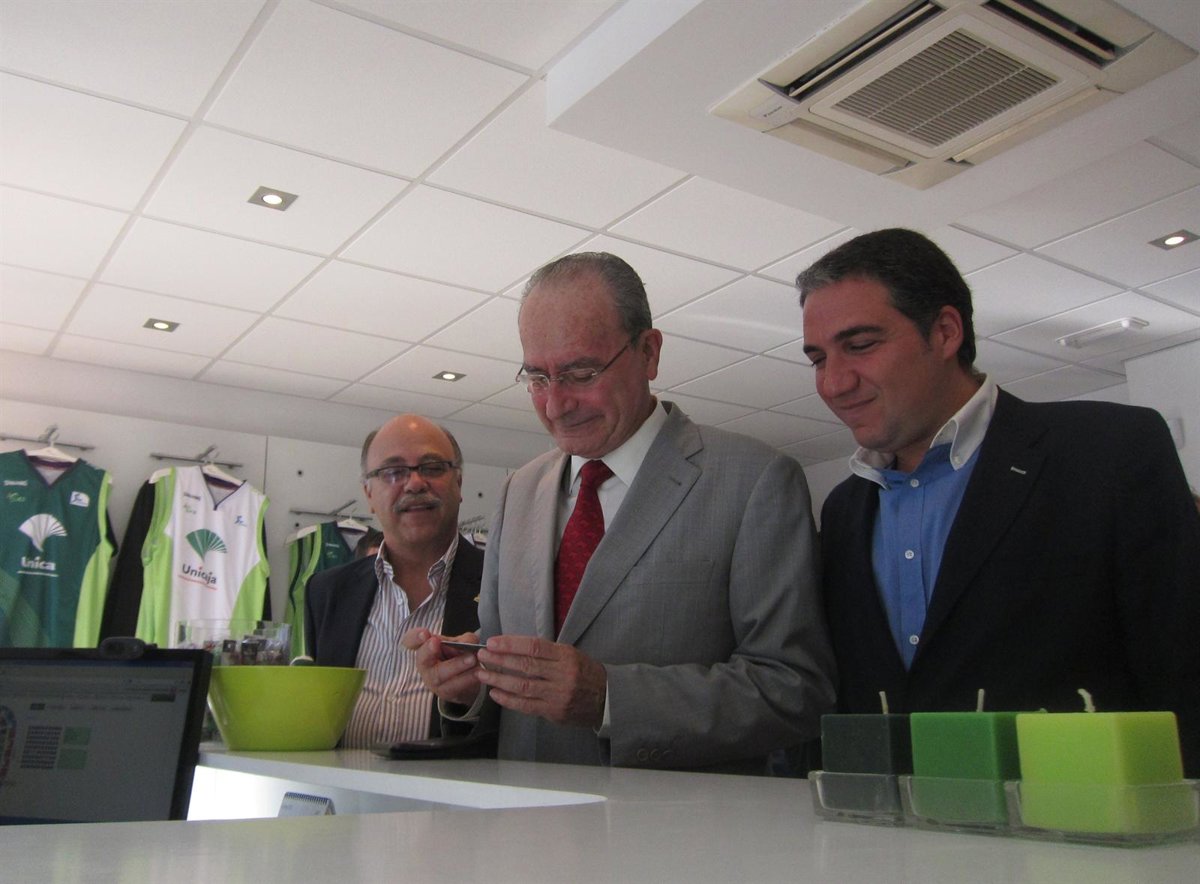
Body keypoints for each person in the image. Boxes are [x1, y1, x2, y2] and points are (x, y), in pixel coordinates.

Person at [405, 252, 835, 773]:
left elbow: (793, 690)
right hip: (522, 814)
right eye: (537, 377)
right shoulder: (518, 490)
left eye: (581, 373)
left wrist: (611, 699)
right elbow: (506, 663)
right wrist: (470, 682)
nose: (555, 405)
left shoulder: (754, 482)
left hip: (668, 821)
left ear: (649, 353)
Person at [796, 228, 1200, 777]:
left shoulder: (1110, 452)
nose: (834, 382)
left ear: (945, 332)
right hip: (899, 823)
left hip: (1085, 814)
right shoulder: (844, 509)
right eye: (818, 358)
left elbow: (1183, 669)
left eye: (861, 345)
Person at [306, 415, 486, 750]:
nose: (415, 483)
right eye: (393, 471)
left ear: (459, 483)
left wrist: (477, 698)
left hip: (456, 783)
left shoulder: (502, 586)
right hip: (343, 783)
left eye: (433, 467)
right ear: (369, 493)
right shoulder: (326, 592)